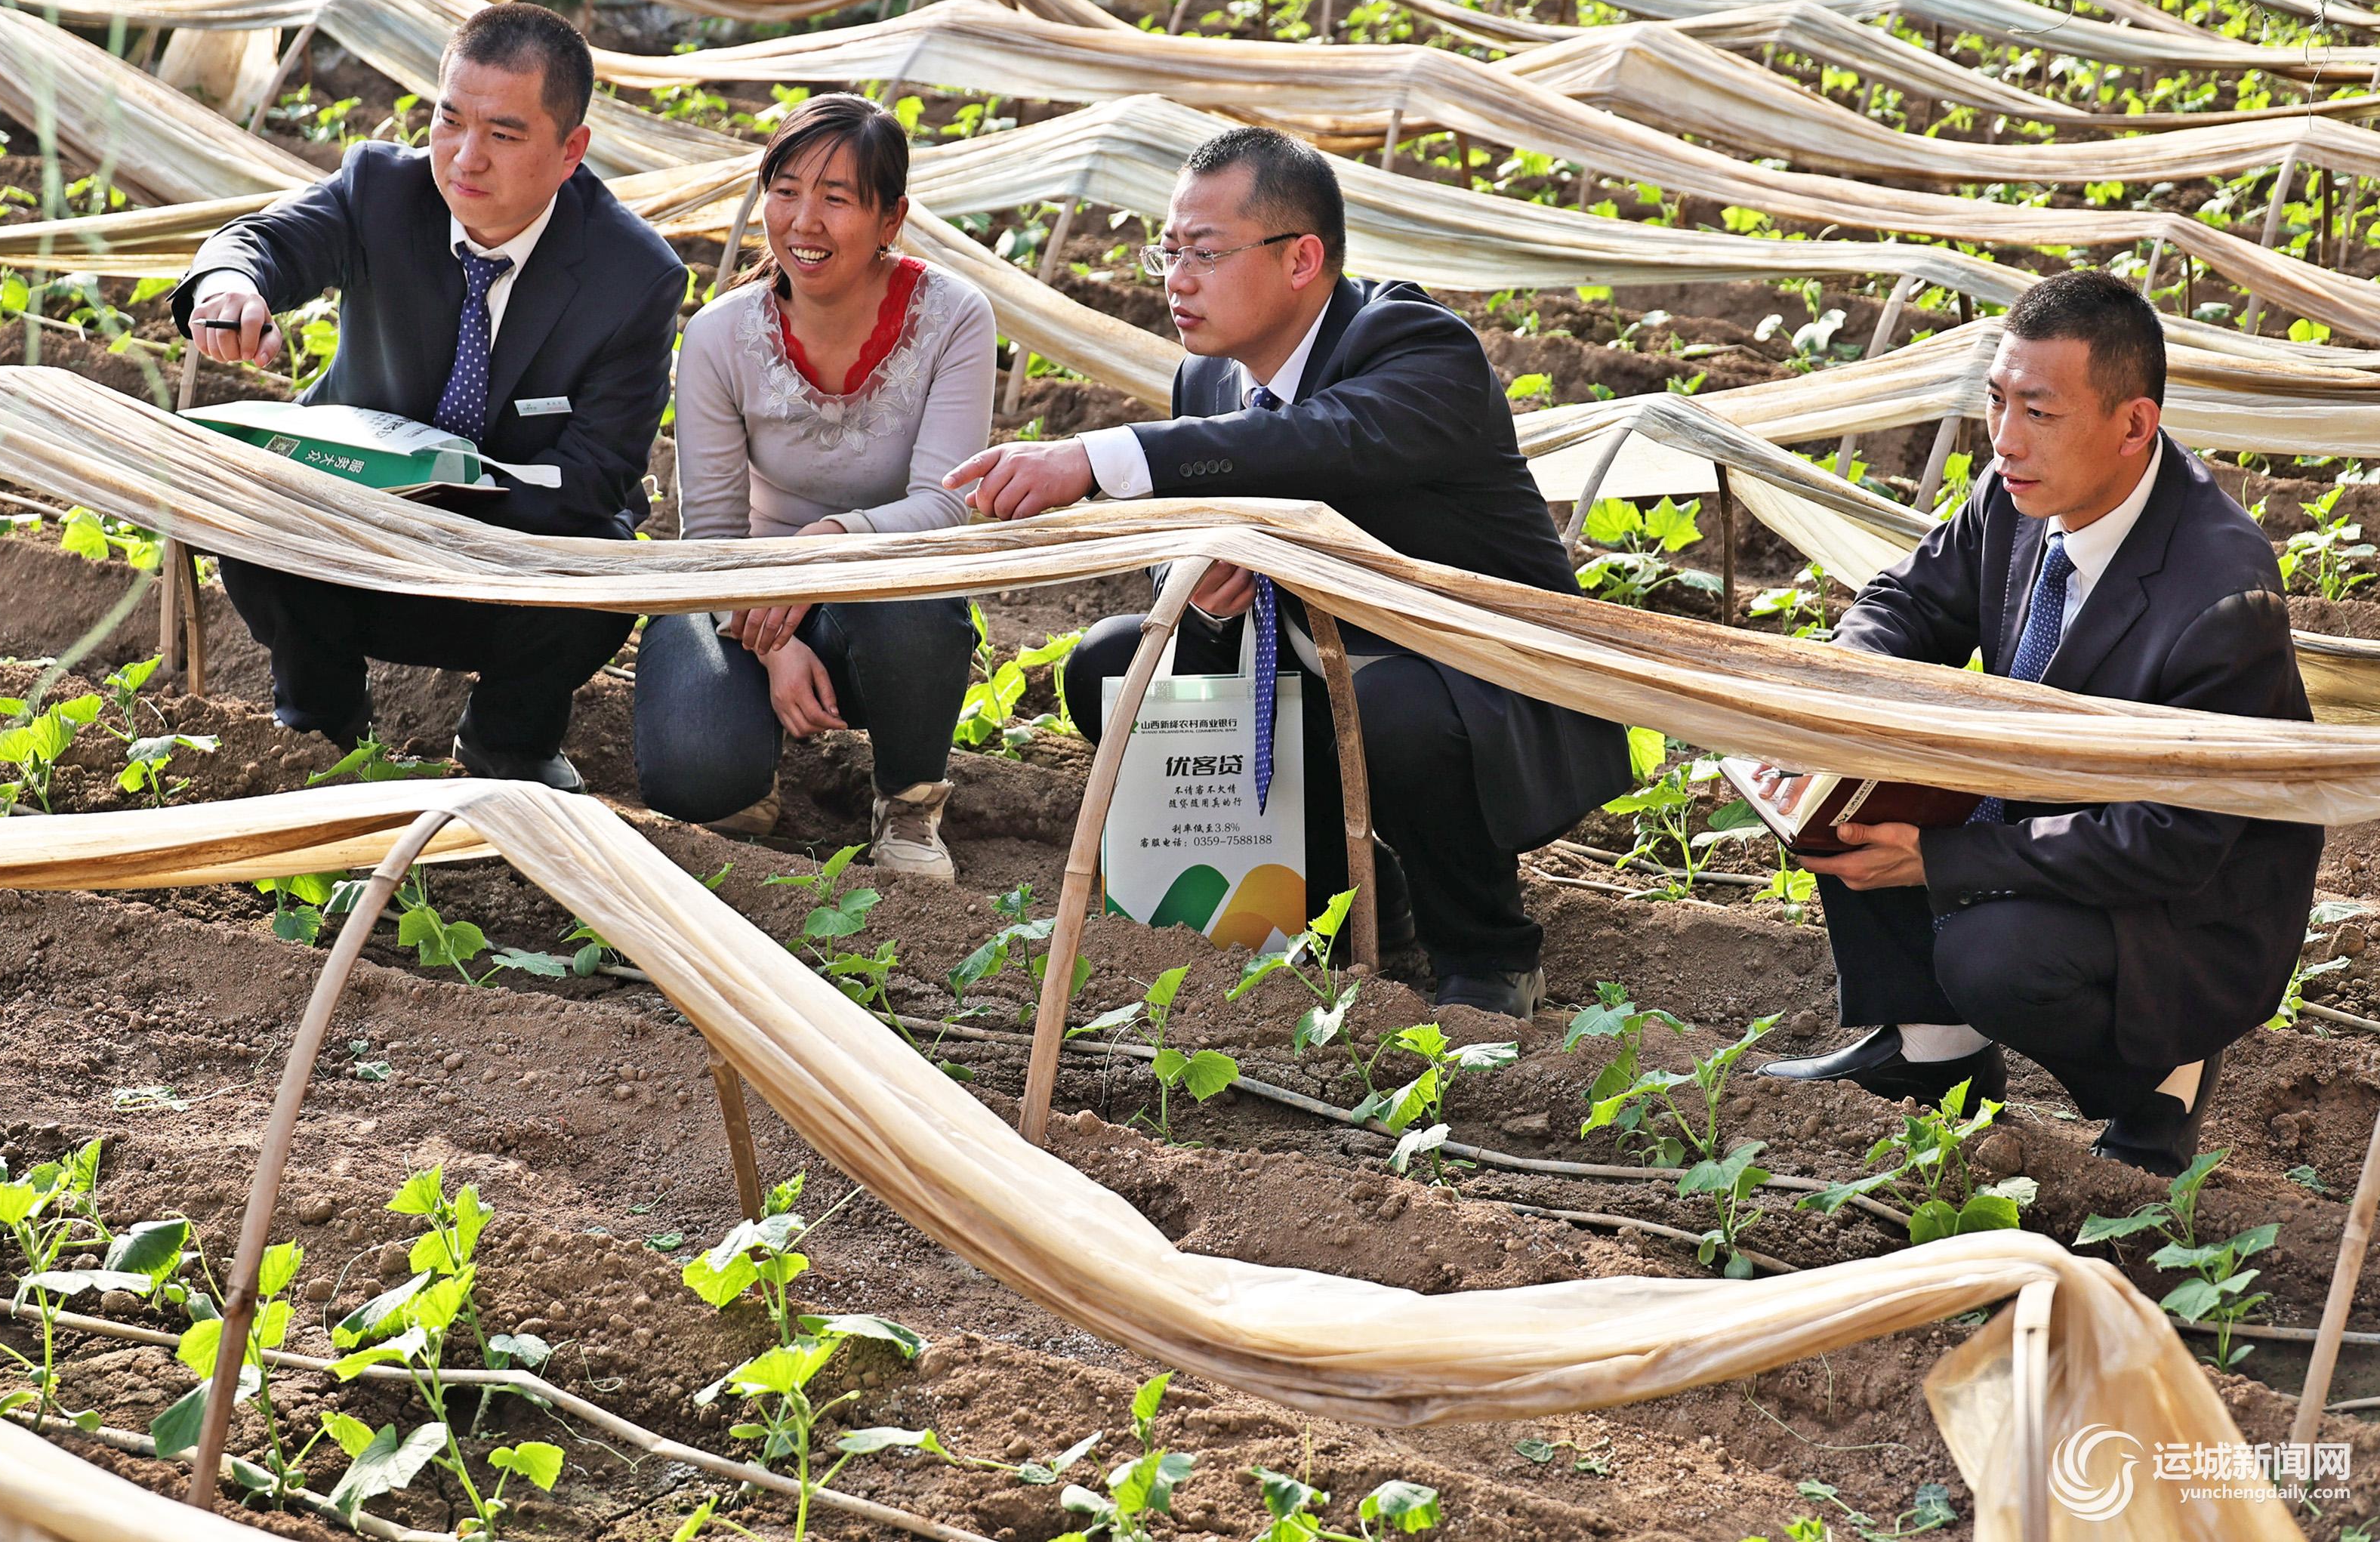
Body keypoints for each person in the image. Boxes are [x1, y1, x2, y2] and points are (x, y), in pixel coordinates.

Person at [945, 125, 1629, 1016]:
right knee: (1113, 665)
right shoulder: (1206, 381)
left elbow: (1322, 438)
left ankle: (1489, 953)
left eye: (1205, 252)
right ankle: (1355, 892)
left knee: (1389, 709)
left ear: (1301, 258)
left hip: (1478, 685)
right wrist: (1204, 597)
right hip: (1308, 666)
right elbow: (1187, 539)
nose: (1177, 279)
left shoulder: (1415, 345)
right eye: (1168, 251)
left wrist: (1094, 456)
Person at [1755, 270, 2320, 1177]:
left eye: (2039, 412)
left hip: (2183, 903)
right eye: (1996, 401)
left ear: (2133, 425)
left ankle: (2162, 1081)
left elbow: (2173, 842)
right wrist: (1838, 702)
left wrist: (1941, 859)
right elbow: (1907, 603)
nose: (2006, 438)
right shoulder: (2016, 492)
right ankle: (1936, 1051)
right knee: (1839, 792)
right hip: (2042, 803)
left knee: (1994, 956)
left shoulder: (2221, 598)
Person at [175, 2, 687, 792]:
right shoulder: (381, 192)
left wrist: (449, 493)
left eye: (504, 135)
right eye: (449, 121)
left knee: (606, 569)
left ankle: (509, 741)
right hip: (346, 537)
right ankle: (319, 723)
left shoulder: (633, 277)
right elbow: (261, 242)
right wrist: (232, 286)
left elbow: (597, 476)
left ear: (571, 151)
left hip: (509, 561)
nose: (465, 158)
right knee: (255, 510)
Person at [634, 94, 992, 880]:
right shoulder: (721, 335)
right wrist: (773, 645)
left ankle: (908, 799)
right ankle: (745, 766)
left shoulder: (953, 318)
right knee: (698, 779)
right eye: (786, 191)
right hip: (747, 590)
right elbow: (713, 537)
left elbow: (944, 505)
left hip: (885, 593)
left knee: (915, 597)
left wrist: (826, 545)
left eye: (836, 198)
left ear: (891, 218)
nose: (804, 221)